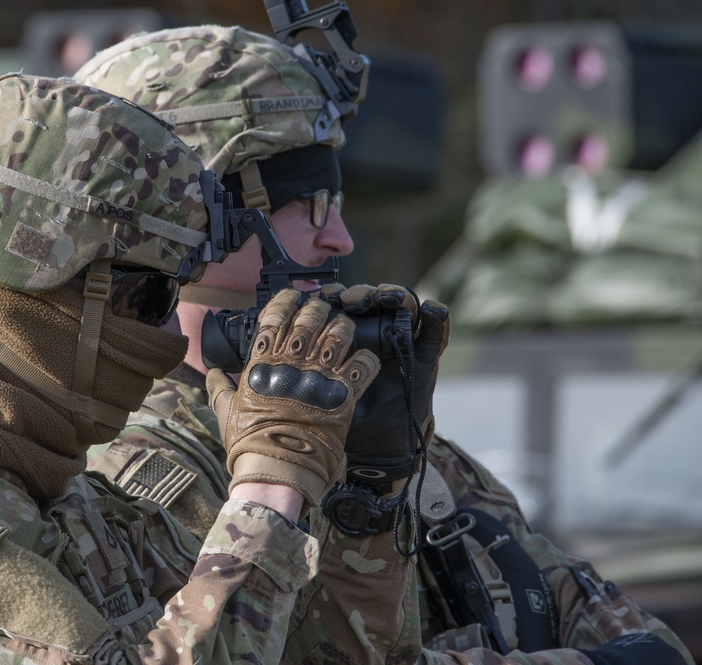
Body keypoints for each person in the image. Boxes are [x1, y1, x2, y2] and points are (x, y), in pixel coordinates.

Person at [75, 25, 695, 664]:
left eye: (337, 201)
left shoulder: (380, 431)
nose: (339, 238)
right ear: (193, 218)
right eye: (307, 203)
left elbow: (642, 643)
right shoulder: (118, 479)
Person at [0, 73, 382, 664]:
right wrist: (270, 489)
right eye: (151, 297)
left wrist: (381, 473)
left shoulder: (67, 499)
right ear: (34, 300)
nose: (168, 331)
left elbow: (306, 648)